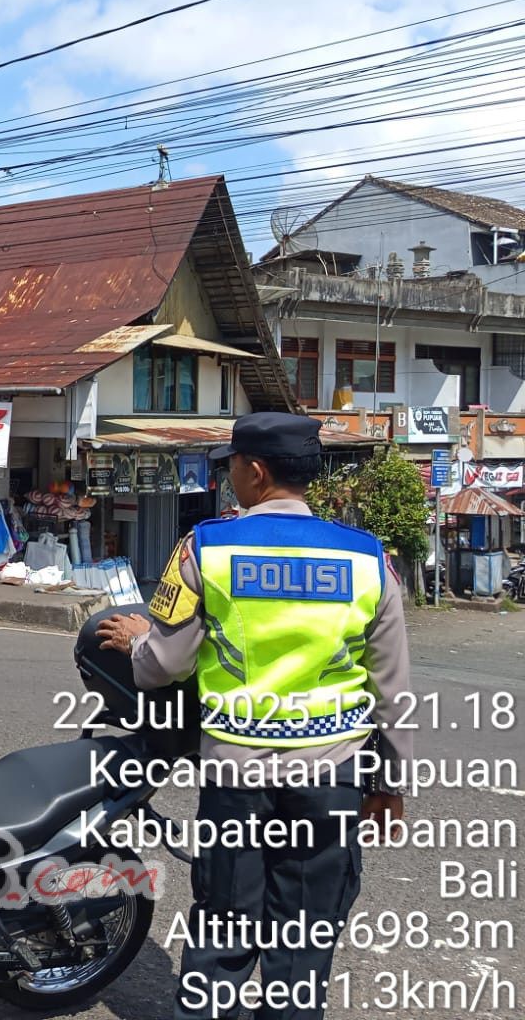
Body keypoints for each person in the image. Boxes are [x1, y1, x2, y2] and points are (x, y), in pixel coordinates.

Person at [97, 413, 412, 1020]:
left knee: (222, 937)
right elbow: (391, 690)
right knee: (300, 952)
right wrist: (388, 784)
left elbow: (162, 665)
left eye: (233, 466)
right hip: (330, 777)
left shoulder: (206, 548)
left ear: (257, 471)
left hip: (236, 781)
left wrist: (140, 636)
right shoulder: (369, 559)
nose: (231, 476)